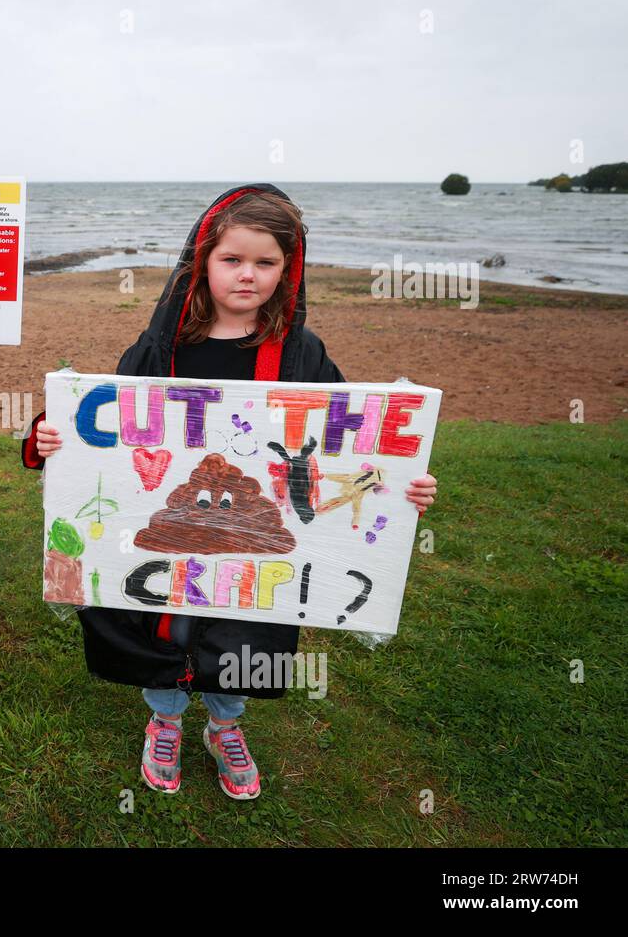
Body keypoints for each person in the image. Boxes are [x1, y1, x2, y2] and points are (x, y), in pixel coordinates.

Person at [23, 183, 437, 799]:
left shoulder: (302, 353)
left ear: (288, 269)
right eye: (232, 260)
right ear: (204, 261)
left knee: (244, 626)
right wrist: (49, 438)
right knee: (161, 625)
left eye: (266, 263)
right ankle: (164, 717)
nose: (249, 276)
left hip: (259, 539)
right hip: (170, 535)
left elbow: (352, 441)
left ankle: (225, 725)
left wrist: (396, 480)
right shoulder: (160, 349)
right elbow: (101, 423)